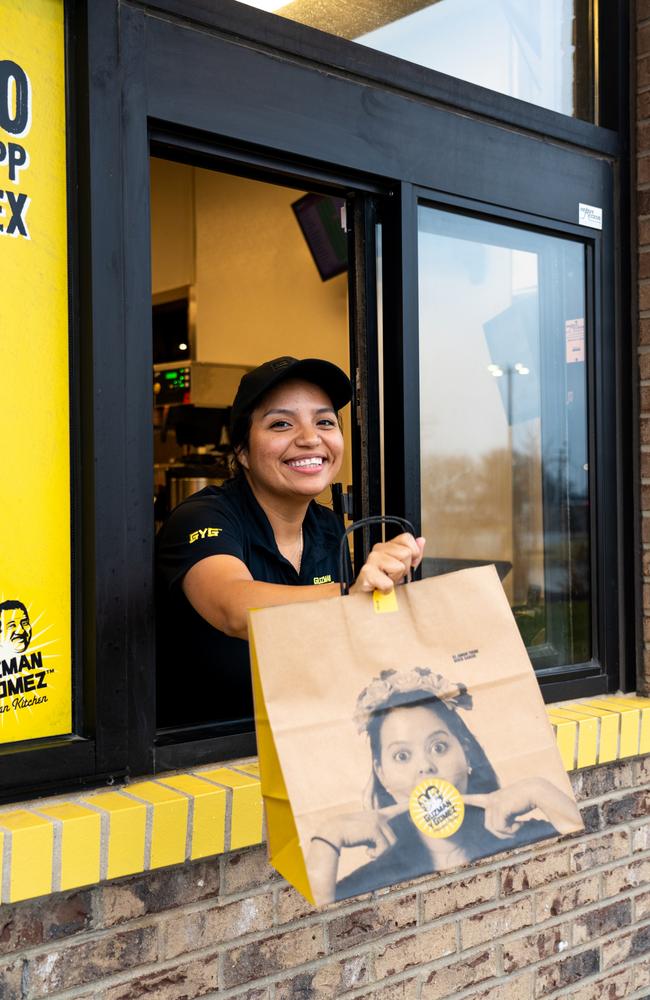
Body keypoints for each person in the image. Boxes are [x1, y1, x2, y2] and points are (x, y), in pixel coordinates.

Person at [156, 357, 425, 727]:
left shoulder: (328, 528)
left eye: (325, 422)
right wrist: (349, 598)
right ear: (242, 452)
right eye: (281, 423)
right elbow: (233, 606)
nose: (310, 438)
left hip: (301, 739)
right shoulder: (202, 518)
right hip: (204, 757)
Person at [307, 667, 581, 903]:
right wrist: (328, 837)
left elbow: (582, 850)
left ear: (465, 753)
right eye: (402, 756)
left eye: (438, 747)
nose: (425, 766)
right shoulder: (372, 879)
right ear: (382, 775)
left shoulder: (519, 836)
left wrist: (539, 790)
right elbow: (322, 914)